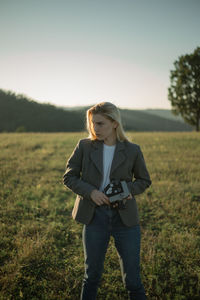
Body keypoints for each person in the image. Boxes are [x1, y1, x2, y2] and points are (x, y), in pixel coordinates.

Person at [63, 102, 151, 300]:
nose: (95, 128)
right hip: (94, 216)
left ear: (114, 123)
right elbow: (69, 177)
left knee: (133, 281)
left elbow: (144, 180)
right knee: (91, 276)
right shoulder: (84, 146)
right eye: (93, 123)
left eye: (101, 123)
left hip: (125, 219)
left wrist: (128, 190)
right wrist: (91, 192)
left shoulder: (132, 150)